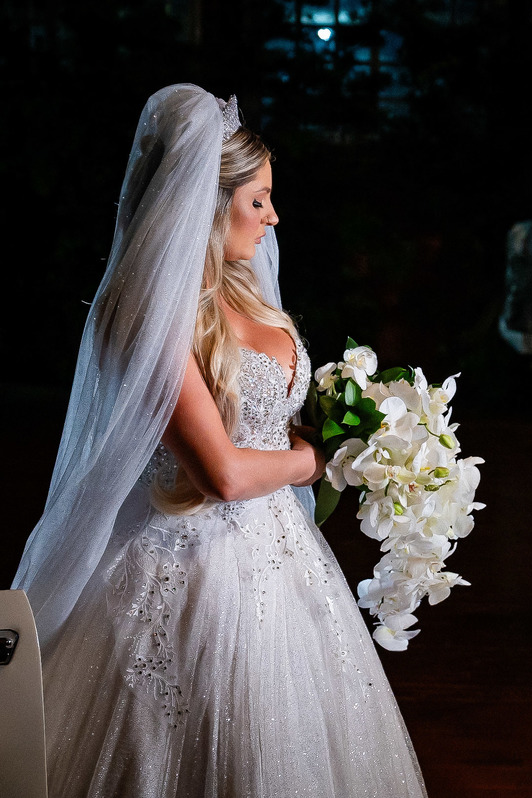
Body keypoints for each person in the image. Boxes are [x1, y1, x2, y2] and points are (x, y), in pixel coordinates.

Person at [11, 84, 426, 796]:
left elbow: (270, 420)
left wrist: (371, 432)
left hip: (286, 561)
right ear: (207, 201)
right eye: (257, 200)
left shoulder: (246, 291)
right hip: (190, 564)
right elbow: (224, 475)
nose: (272, 217)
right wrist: (323, 460)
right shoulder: (145, 315)